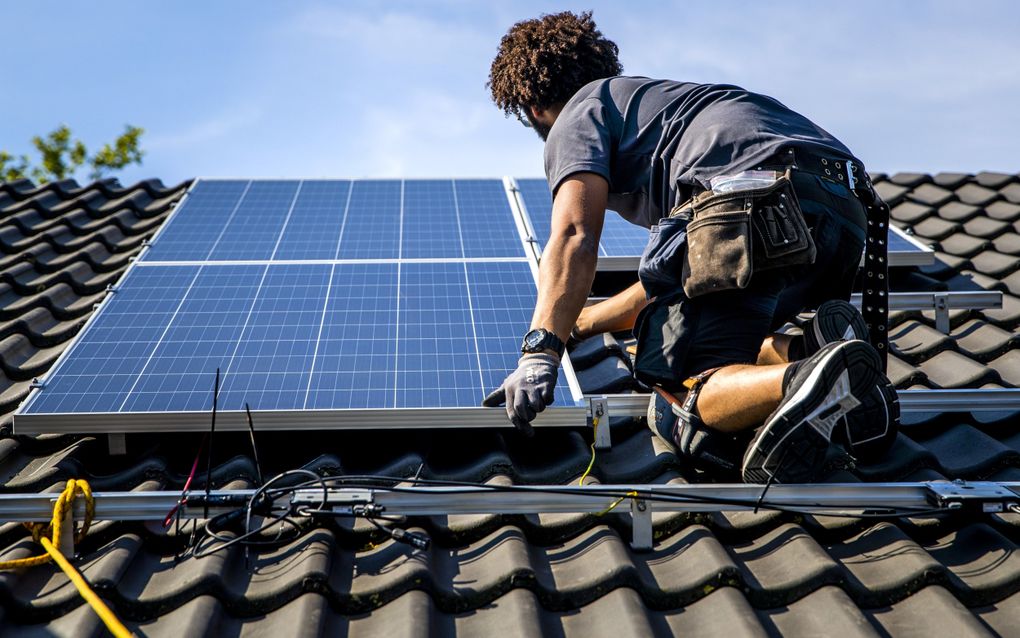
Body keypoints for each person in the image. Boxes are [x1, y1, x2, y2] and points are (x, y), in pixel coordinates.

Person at [482, 11, 898, 483]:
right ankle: (816, 347)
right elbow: (690, 275)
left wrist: (541, 349)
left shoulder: (579, 114)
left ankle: (809, 377)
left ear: (532, 108)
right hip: (843, 212)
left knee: (685, 388)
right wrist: (582, 322)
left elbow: (575, 234)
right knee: (707, 330)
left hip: (752, 204)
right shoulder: (663, 108)